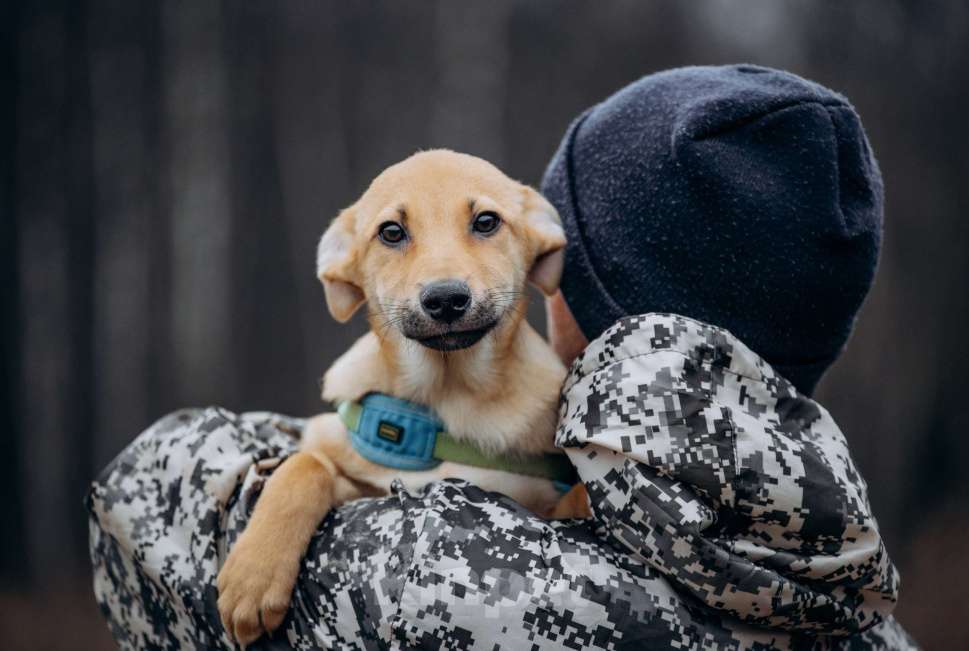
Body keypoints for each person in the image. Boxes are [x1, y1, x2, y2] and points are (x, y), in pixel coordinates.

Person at [89, 65, 916, 649]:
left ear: (560, 271)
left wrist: (304, 478)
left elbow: (139, 500)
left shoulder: (454, 583)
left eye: (494, 229)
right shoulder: (867, 607)